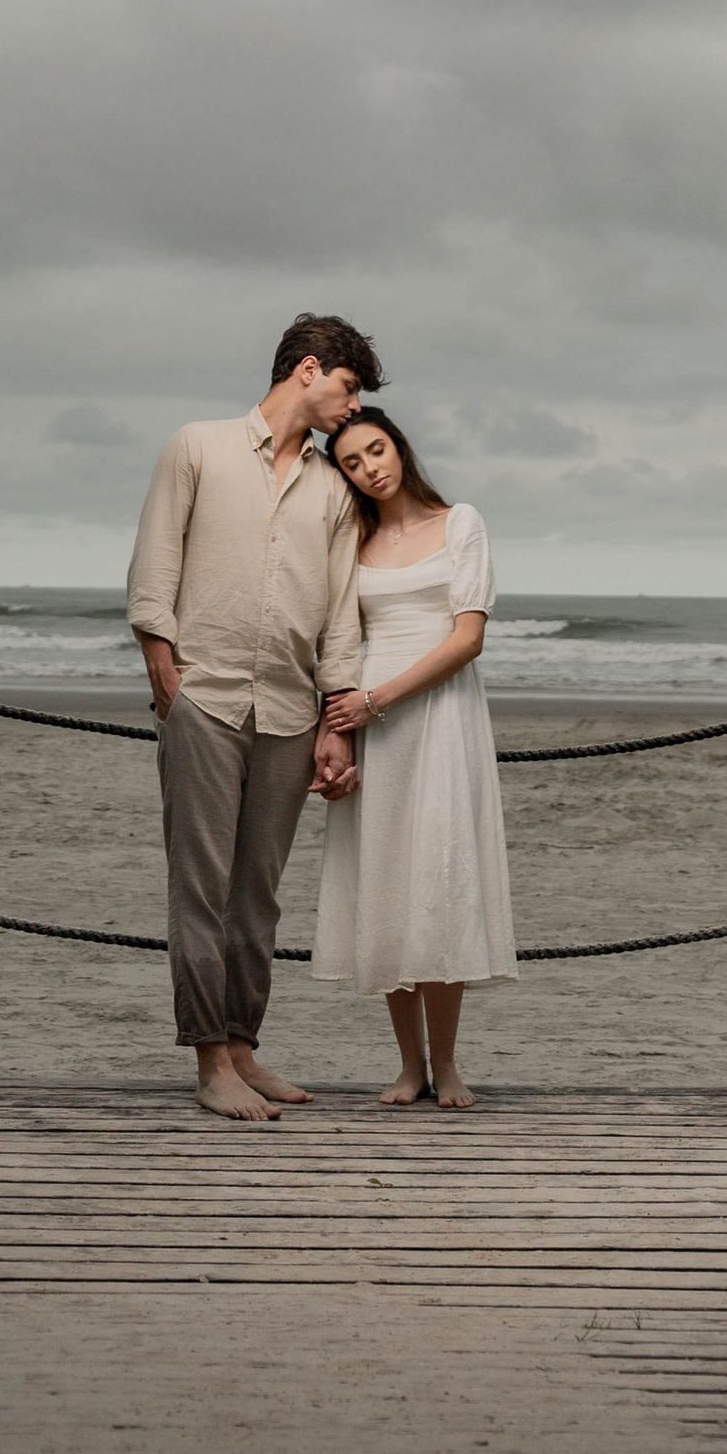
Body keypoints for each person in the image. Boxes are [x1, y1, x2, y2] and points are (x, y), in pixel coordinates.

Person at [125, 314, 381, 1125]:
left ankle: (241, 1048)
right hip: (202, 696)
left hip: (289, 707)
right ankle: (208, 1063)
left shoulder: (335, 489)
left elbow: (341, 610)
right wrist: (159, 654)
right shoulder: (195, 446)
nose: (351, 409)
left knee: (258, 894)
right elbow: (156, 558)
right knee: (199, 888)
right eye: (346, 389)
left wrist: (335, 718)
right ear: (309, 370)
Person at [309, 408, 515, 1108]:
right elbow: (335, 640)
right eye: (354, 463)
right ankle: (409, 1067)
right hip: (374, 723)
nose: (372, 468)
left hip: (439, 717)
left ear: (399, 445)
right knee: (389, 883)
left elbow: (467, 639)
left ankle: (449, 1063)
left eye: (377, 450)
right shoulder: (350, 542)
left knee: (440, 880)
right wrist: (339, 723)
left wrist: (378, 699)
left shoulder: (460, 522)